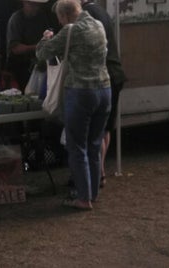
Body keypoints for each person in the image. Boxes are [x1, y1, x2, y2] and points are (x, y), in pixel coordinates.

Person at [36, 0, 111, 210]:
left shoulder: (71, 30)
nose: (60, 23)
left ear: (66, 15)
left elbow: (42, 54)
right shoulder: (98, 25)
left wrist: (45, 39)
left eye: (60, 18)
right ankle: (93, 193)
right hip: (104, 90)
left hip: (81, 92)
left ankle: (83, 198)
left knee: (76, 146)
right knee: (94, 144)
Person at [80, 0, 126, 188]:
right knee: (105, 129)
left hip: (104, 77)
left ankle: (98, 175)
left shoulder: (88, 15)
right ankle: (100, 173)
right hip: (115, 75)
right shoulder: (100, 10)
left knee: (96, 130)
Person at [6, 0, 59, 91]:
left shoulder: (42, 17)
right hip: (20, 67)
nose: (36, 7)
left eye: (38, 5)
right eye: (32, 4)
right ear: (24, 2)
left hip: (38, 65)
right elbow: (15, 48)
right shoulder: (16, 19)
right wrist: (38, 47)